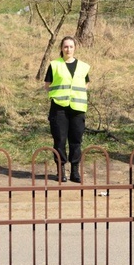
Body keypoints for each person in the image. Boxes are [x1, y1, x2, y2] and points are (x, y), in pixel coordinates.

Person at [44, 36, 90, 183]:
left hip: (77, 108)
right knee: (60, 140)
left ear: (75, 48)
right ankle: (61, 170)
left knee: (76, 140)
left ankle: (75, 171)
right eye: (65, 47)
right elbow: (47, 85)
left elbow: (86, 84)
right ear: (61, 48)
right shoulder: (54, 65)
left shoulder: (83, 66)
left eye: (70, 46)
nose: (68, 49)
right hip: (59, 108)